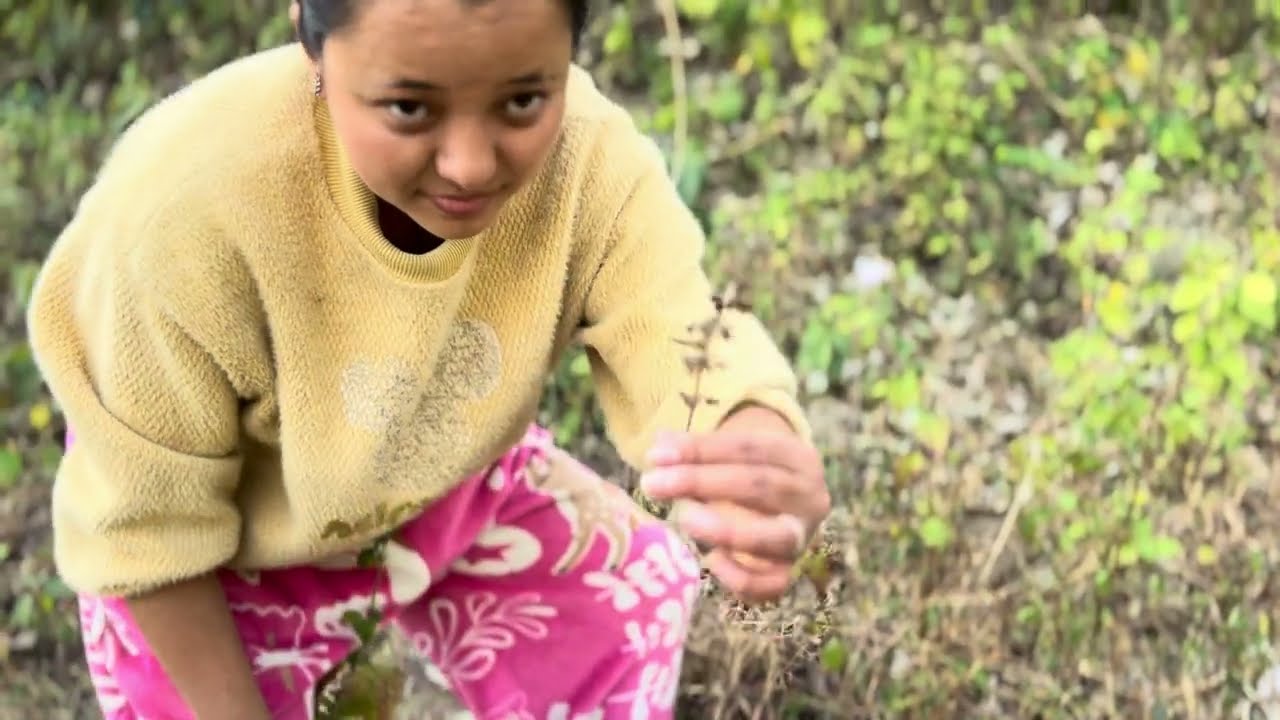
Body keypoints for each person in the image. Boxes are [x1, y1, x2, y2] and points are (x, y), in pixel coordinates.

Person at [24, 0, 831, 718]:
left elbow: (678, 330)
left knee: (628, 605)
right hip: (223, 559)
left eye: (523, 99)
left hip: (440, 480)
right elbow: (149, 535)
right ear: (310, 41)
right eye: (409, 107)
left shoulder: (587, 164)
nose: (472, 165)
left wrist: (749, 433)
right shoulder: (179, 221)